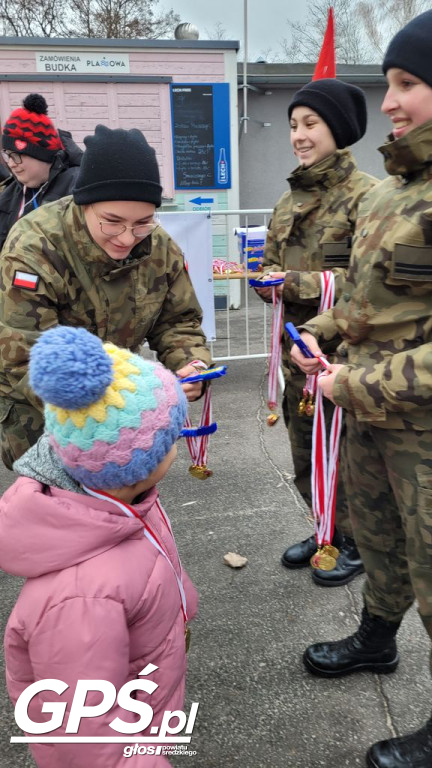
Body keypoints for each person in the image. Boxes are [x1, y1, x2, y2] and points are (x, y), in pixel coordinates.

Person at [291, 10, 432, 767]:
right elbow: (364, 295)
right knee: (378, 543)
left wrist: (357, 381)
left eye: (409, 83)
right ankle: (377, 641)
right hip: (373, 422)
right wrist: (324, 331)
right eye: (389, 84)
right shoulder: (388, 193)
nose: (391, 102)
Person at [0, 325, 198, 767]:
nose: (178, 445)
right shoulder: (81, 598)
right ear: (138, 467)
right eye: (172, 438)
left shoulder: (121, 507)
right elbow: (85, 731)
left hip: (143, 704)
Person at [0, 123, 211, 470]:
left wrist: (190, 363)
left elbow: (178, 320)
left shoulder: (159, 247)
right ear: (85, 204)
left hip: (123, 420)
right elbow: (25, 357)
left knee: (117, 518)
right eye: (112, 221)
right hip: (43, 422)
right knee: (57, 517)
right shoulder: (35, 246)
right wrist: (122, 404)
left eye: (143, 222)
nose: (128, 237)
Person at [255, 79, 377, 586]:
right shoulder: (287, 202)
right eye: (292, 126)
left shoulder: (367, 197)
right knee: (304, 451)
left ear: (339, 130)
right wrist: (266, 284)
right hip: (296, 352)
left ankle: (353, 543)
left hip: (344, 354)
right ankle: (323, 528)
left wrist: (298, 281)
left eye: (310, 124)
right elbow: (268, 265)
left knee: (345, 455)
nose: (298, 136)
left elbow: (374, 282)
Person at [0, 93, 81, 249]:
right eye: (7, 155)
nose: (11, 163)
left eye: (16, 155)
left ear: (42, 155)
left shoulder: (76, 187)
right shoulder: (9, 191)